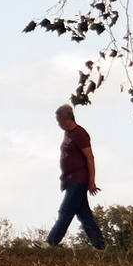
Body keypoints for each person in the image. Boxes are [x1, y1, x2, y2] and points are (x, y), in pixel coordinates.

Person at [47, 104, 105, 249]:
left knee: (66, 211)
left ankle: (51, 242)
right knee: (84, 215)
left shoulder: (80, 134)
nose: (59, 124)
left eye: (60, 121)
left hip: (79, 180)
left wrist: (91, 181)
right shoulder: (68, 133)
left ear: (67, 119)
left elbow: (90, 158)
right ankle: (100, 246)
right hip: (70, 179)